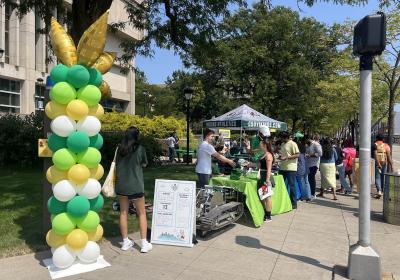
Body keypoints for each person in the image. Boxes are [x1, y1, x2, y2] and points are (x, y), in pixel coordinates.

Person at [115, 126, 152, 253]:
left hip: (121, 185)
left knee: (123, 213)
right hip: (135, 185)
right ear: (137, 136)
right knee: (141, 213)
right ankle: (143, 243)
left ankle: (125, 242)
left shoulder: (119, 149)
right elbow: (144, 164)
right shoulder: (140, 149)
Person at [279, 131, 300, 209]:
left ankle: (294, 203)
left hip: (291, 168)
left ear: (286, 137)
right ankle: (283, 201)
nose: (281, 139)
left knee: (291, 185)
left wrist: (287, 157)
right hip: (282, 167)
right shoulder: (282, 144)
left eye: (282, 138)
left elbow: (298, 154)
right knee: (281, 184)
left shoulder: (293, 144)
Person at [258, 139, 275, 222]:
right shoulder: (265, 154)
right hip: (263, 177)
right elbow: (261, 166)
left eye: (260, 144)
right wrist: (250, 164)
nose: (259, 145)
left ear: (264, 145)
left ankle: (268, 216)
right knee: (263, 195)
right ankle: (266, 213)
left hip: (266, 178)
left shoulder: (268, 155)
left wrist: (267, 180)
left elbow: (269, 169)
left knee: (267, 196)